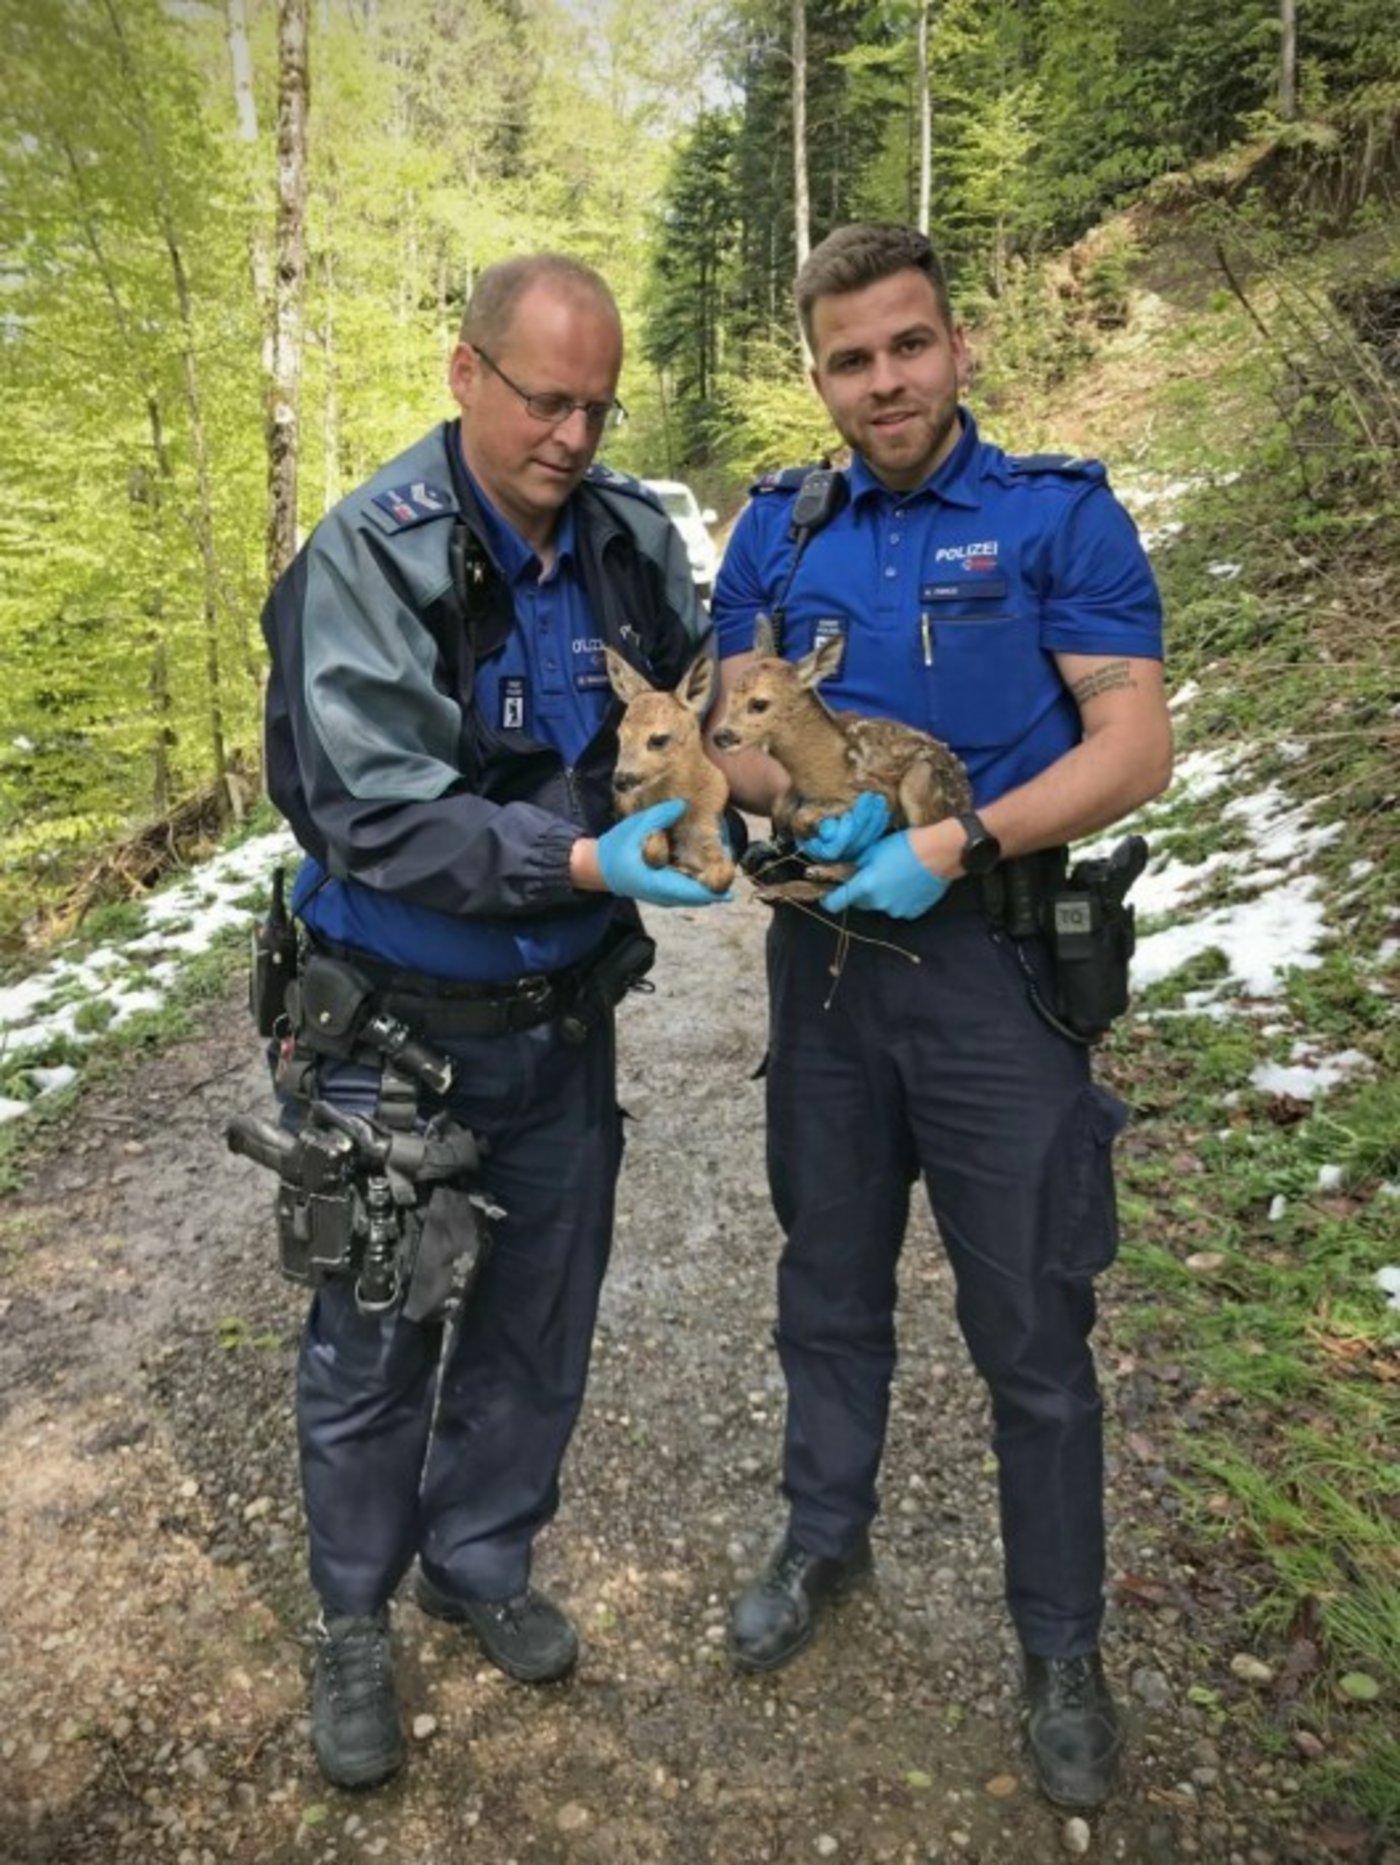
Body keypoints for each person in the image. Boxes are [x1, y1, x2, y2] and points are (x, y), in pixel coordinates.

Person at [708, 223, 1172, 1811]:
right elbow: (738, 738)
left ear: (958, 346)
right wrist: (795, 806)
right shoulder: (777, 533)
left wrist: (958, 840)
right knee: (827, 1280)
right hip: (828, 970)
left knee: (1032, 1323)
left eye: (909, 344)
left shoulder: (1057, 514)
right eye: (851, 358)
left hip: (996, 972)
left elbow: (1131, 747)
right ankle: (822, 1536)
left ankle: (1061, 1645)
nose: (884, 380)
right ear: (820, 377)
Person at [260, 252, 728, 1790]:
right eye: (545, 400)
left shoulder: (631, 544)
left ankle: (476, 1556)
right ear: (466, 372)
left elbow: (708, 709)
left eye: (598, 406)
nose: (573, 436)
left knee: (538, 1315)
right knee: (377, 1327)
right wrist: (587, 861)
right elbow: (380, 811)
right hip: (391, 1030)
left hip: (562, 1024)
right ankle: (352, 1617)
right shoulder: (372, 554)